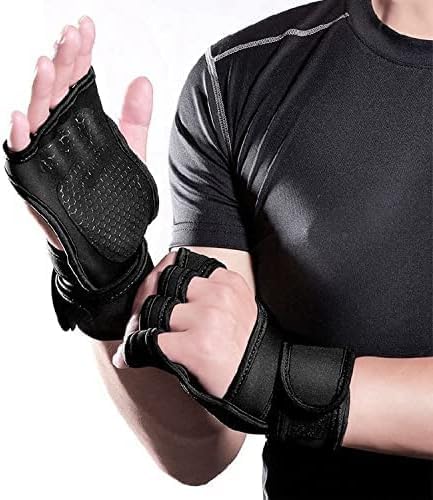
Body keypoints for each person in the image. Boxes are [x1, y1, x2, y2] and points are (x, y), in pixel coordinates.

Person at [6, 0, 433, 498]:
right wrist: (109, 284)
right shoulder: (238, 81)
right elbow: (200, 448)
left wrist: (279, 382)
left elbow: (261, 384)